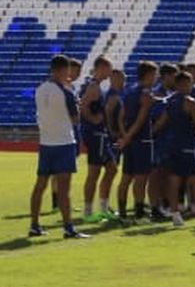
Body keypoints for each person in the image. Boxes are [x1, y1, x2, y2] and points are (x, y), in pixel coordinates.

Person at [29, 54, 88, 239]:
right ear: (63, 70)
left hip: (46, 142)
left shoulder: (40, 89)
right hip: (63, 142)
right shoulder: (66, 91)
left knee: (40, 185)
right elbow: (76, 118)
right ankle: (68, 227)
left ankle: (34, 224)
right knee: (64, 188)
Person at [157, 71, 195, 228]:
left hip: (172, 144)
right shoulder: (190, 101)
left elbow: (161, 122)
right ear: (185, 84)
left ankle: (175, 215)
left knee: (174, 180)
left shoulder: (169, 101)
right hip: (187, 145)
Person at [115, 61, 158, 221]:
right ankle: (139, 213)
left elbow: (121, 116)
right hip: (142, 140)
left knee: (126, 176)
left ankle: (122, 211)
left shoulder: (129, 91)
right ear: (148, 75)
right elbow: (141, 119)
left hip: (130, 140)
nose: (156, 78)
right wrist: (128, 137)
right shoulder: (145, 93)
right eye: (155, 74)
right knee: (141, 178)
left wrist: (125, 135)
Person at [78, 56, 117, 220]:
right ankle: (88, 211)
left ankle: (103, 206)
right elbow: (82, 105)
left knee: (112, 168)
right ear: (101, 68)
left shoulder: (96, 86)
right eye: (108, 68)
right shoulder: (93, 87)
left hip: (101, 135)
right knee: (94, 172)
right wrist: (92, 119)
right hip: (95, 135)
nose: (110, 72)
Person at [146, 63, 179, 221]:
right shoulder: (156, 94)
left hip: (171, 140)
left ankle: (164, 205)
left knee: (167, 174)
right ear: (165, 76)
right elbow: (152, 118)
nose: (175, 79)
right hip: (158, 140)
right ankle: (154, 207)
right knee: (155, 174)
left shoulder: (174, 93)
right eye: (173, 76)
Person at [51, 57, 83, 210]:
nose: (76, 74)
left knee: (64, 168)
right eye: (75, 70)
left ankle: (60, 200)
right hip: (65, 130)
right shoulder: (63, 88)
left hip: (71, 130)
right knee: (62, 169)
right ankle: (59, 200)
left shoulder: (71, 87)